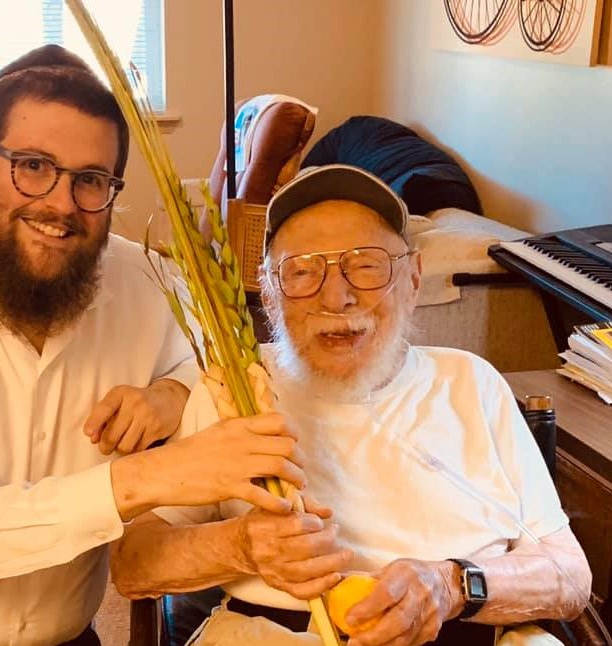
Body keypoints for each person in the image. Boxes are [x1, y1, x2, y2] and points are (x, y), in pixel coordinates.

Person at [0, 45, 307, 646]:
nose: (62, 204)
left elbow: (220, 357)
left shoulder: (146, 281)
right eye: (33, 166)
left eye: (91, 180)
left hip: (60, 632)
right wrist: (153, 477)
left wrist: (171, 393)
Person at [110, 164, 592, 646]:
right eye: (302, 272)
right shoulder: (236, 385)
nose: (336, 297)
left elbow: (570, 576)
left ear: (413, 279)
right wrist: (239, 546)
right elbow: (134, 564)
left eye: (366, 266)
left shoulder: (471, 382)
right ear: (271, 295)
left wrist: (451, 586)